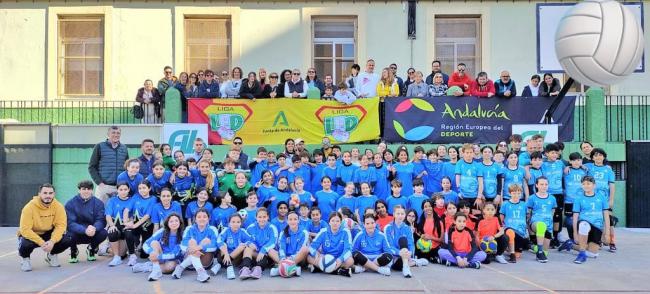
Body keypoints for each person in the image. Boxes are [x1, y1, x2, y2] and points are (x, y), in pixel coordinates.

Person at [18, 184, 72, 271]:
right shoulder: (29, 207)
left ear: (54, 194)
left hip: (48, 233)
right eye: (45, 193)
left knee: (69, 238)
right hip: (32, 234)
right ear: (39, 194)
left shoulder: (58, 206)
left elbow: (60, 226)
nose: (48, 196)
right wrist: (42, 243)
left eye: (50, 193)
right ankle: (25, 259)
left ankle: (52, 255)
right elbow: (25, 229)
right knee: (25, 244)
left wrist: (52, 241)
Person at [565, 176, 610, 264]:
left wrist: (607, 233)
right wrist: (575, 233)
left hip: (597, 226)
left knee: (593, 254)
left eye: (588, 184)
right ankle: (581, 254)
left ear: (594, 185)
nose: (586, 186)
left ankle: (570, 245)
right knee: (583, 225)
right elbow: (575, 216)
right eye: (584, 184)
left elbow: (606, 215)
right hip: (584, 223)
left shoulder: (602, 197)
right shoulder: (578, 199)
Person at [64, 180, 108, 264]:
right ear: (79, 190)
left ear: (92, 190)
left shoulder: (98, 203)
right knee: (68, 235)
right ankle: (73, 251)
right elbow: (70, 223)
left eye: (89, 189)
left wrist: (94, 228)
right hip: (77, 233)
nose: (86, 191)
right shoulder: (70, 203)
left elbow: (101, 220)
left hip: (92, 232)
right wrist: (84, 230)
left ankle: (91, 248)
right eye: (83, 189)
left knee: (103, 233)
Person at [172, 208, 219, 283]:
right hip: (189, 265)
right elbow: (183, 245)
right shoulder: (189, 228)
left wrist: (199, 247)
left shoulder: (213, 229)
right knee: (192, 241)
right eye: (199, 217)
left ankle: (181, 267)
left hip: (205, 262)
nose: (202, 219)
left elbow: (214, 246)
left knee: (206, 240)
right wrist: (194, 248)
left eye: (204, 217)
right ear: (195, 219)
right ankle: (201, 273)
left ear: (208, 219)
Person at [88, 126, 129, 203]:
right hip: (104, 186)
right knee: (101, 212)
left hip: (120, 187)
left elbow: (127, 167)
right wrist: (99, 183)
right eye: (113, 133)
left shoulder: (124, 148)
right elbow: (92, 167)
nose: (116, 135)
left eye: (118, 133)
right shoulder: (99, 146)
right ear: (108, 134)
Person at [308, 212, 354, 277]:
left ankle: (321, 268)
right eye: (333, 221)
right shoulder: (323, 231)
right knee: (309, 257)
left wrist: (340, 259)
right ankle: (338, 271)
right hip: (325, 257)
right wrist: (316, 254)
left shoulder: (346, 232)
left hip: (338, 258)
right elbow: (312, 246)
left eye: (337, 221)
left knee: (350, 261)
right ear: (329, 222)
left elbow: (348, 249)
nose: (335, 223)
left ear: (340, 223)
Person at [142, 213, 185, 281]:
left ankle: (149, 267)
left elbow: (174, 254)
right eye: (171, 221)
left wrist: (157, 257)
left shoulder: (184, 234)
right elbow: (146, 243)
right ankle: (156, 271)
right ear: (167, 223)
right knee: (154, 243)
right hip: (160, 257)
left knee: (171, 266)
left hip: (174, 259)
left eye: (176, 221)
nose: (174, 223)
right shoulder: (162, 231)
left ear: (180, 222)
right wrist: (151, 252)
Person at [239, 207, 279, 280]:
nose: (262, 219)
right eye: (259, 217)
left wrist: (263, 250)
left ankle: (258, 269)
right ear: (256, 217)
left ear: (268, 217)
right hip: (256, 254)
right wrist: (249, 243)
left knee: (270, 250)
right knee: (248, 248)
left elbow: (273, 242)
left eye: (264, 217)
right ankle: (245, 268)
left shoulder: (272, 227)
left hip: (267, 255)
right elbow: (245, 239)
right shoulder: (251, 227)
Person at [105, 182, 136, 266]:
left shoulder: (132, 200)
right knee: (112, 232)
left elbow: (134, 215)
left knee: (129, 232)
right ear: (117, 190)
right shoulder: (112, 200)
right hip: (116, 226)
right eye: (121, 189)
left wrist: (131, 222)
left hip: (126, 227)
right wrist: (111, 226)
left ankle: (132, 255)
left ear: (129, 190)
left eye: (125, 189)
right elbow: (108, 216)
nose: (123, 192)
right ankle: (116, 257)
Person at [527, 177, 557, 263]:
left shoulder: (552, 198)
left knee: (545, 253)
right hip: (535, 223)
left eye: (546, 184)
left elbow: (552, 212)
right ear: (536, 185)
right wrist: (529, 229)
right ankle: (539, 252)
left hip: (548, 225)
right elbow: (528, 213)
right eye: (541, 184)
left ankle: (533, 247)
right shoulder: (532, 198)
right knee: (541, 226)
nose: (544, 186)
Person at [215, 213, 252, 279]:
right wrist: (226, 254)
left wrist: (245, 244)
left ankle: (221, 265)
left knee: (243, 246)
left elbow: (250, 240)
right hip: (223, 257)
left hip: (236, 258)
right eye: (233, 222)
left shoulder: (242, 231)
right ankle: (228, 267)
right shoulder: (226, 230)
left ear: (241, 223)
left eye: (238, 222)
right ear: (229, 223)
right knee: (223, 244)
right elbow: (219, 241)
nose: (235, 224)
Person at [273, 211, 309, 277]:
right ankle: (291, 269)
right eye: (290, 219)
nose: (293, 221)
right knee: (270, 250)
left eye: (295, 219)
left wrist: (290, 259)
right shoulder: (283, 232)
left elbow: (300, 248)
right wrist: (283, 257)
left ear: (298, 220)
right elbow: (281, 247)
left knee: (305, 249)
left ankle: (281, 269)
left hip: (298, 258)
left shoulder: (304, 232)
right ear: (287, 221)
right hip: (284, 257)